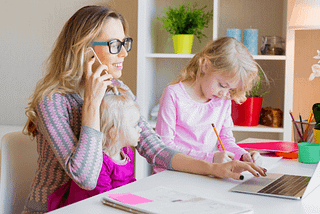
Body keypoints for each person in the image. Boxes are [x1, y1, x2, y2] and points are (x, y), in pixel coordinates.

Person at [22, 5, 266, 214]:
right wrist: (91, 104)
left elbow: (157, 149)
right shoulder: (53, 102)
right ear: (85, 51)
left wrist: (214, 167)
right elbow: (86, 178)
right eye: (114, 45)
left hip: (101, 204)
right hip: (59, 208)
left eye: (124, 43)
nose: (125, 53)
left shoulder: (119, 91)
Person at [154, 37, 262, 173]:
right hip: (171, 174)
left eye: (231, 89)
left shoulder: (223, 100)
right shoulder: (174, 94)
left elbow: (226, 141)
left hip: (203, 173)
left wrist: (243, 155)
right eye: (222, 85)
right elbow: (164, 148)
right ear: (205, 65)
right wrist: (210, 158)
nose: (224, 93)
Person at [47, 87, 140, 211]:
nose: (140, 129)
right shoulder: (99, 162)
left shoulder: (127, 153)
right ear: (113, 132)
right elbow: (104, 197)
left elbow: (130, 184)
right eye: (135, 126)